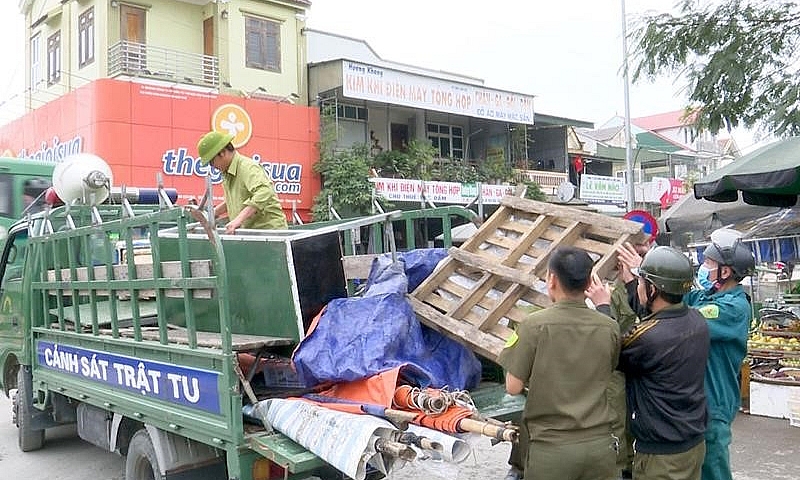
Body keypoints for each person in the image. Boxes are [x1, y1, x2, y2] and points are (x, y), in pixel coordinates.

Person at [498, 246, 620, 480]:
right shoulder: (609, 327)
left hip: (552, 450)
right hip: (600, 448)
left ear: (552, 279)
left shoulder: (533, 325)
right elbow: (609, 369)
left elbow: (513, 387)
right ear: (588, 283)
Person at [588, 246, 710, 480]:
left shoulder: (649, 339)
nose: (639, 285)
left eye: (642, 282)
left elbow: (609, 353)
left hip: (662, 455)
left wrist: (603, 307)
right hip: (692, 442)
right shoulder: (696, 320)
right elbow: (654, 320)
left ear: (653, 288)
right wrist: (633, 284)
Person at [683, 238, 755, 480]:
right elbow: (678, 299)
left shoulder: (733, 307)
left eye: (709, 262)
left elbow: (684, 316)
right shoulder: (708, 296)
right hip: (698, 400)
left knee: (713, 469)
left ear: (725, 271)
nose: (704, 266)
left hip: (714, 402)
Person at [196, 131, 287, 233]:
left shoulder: (247, 167)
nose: (213, 167)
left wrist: (238, 220)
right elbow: (233, 202)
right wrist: (211, 214)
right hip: (252, 234)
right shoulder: (227, 174)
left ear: (222, 153)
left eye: (211, 162)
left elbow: (265, 191)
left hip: (270, 234)